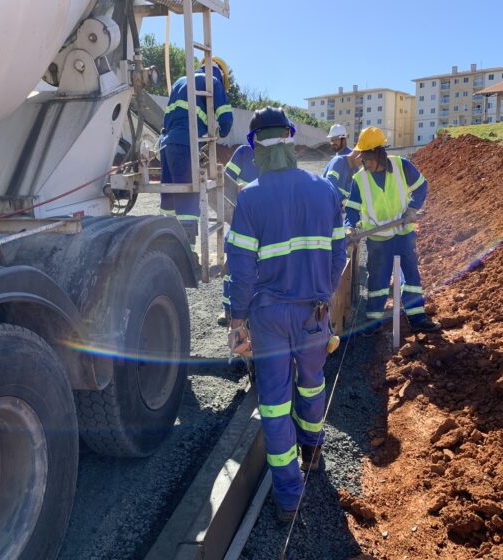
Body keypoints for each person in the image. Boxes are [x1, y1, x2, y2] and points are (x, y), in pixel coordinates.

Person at [226, 107, 347, 523]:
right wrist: (323, 296)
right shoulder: (325, 191)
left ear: (255, 146)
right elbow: (338, 256)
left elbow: (241, 271)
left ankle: (289, 496)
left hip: (268, 318)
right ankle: (312, 448)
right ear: (291, 141)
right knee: (312, 385)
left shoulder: (250, 197)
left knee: (275, 405)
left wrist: (237, 322)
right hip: (313, 312)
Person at [344, 126, 441, 334]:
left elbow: (421, 186)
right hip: (377, 238)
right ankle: (373, 322)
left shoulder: (401, 166)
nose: (365, 162)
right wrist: (349, 228)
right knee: (378, 280)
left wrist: (413, 208)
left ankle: (417, 317)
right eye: (363, 158)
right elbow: (352, 209)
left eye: (368, 158)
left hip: (403, 232)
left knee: (411, 275)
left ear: (380, 153)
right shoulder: (359, 179)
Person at [159, 57, 234, 244]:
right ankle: (188, 252)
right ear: (221, 75)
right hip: (186, 144)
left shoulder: (180, 81)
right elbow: (225, 117)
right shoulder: (212, 82)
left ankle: (166, 242)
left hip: (166, 145)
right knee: (188, 197)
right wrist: (220, 132)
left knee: (169, 197)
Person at [219, 144, 259, 326]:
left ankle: (253, 310)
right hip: (242, 221)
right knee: (232, 266)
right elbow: (226, 180)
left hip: (263, 224)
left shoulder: (278, 157)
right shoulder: (243, 153)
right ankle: (227, 308)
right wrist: (237, 188)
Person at [322, 124, 353, 201]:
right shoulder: (338, 156)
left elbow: (330, 182)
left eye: (336, 139)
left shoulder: (350, 157)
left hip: (342, 203)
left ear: (344, 139)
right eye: (332, 140)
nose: (333, 142)